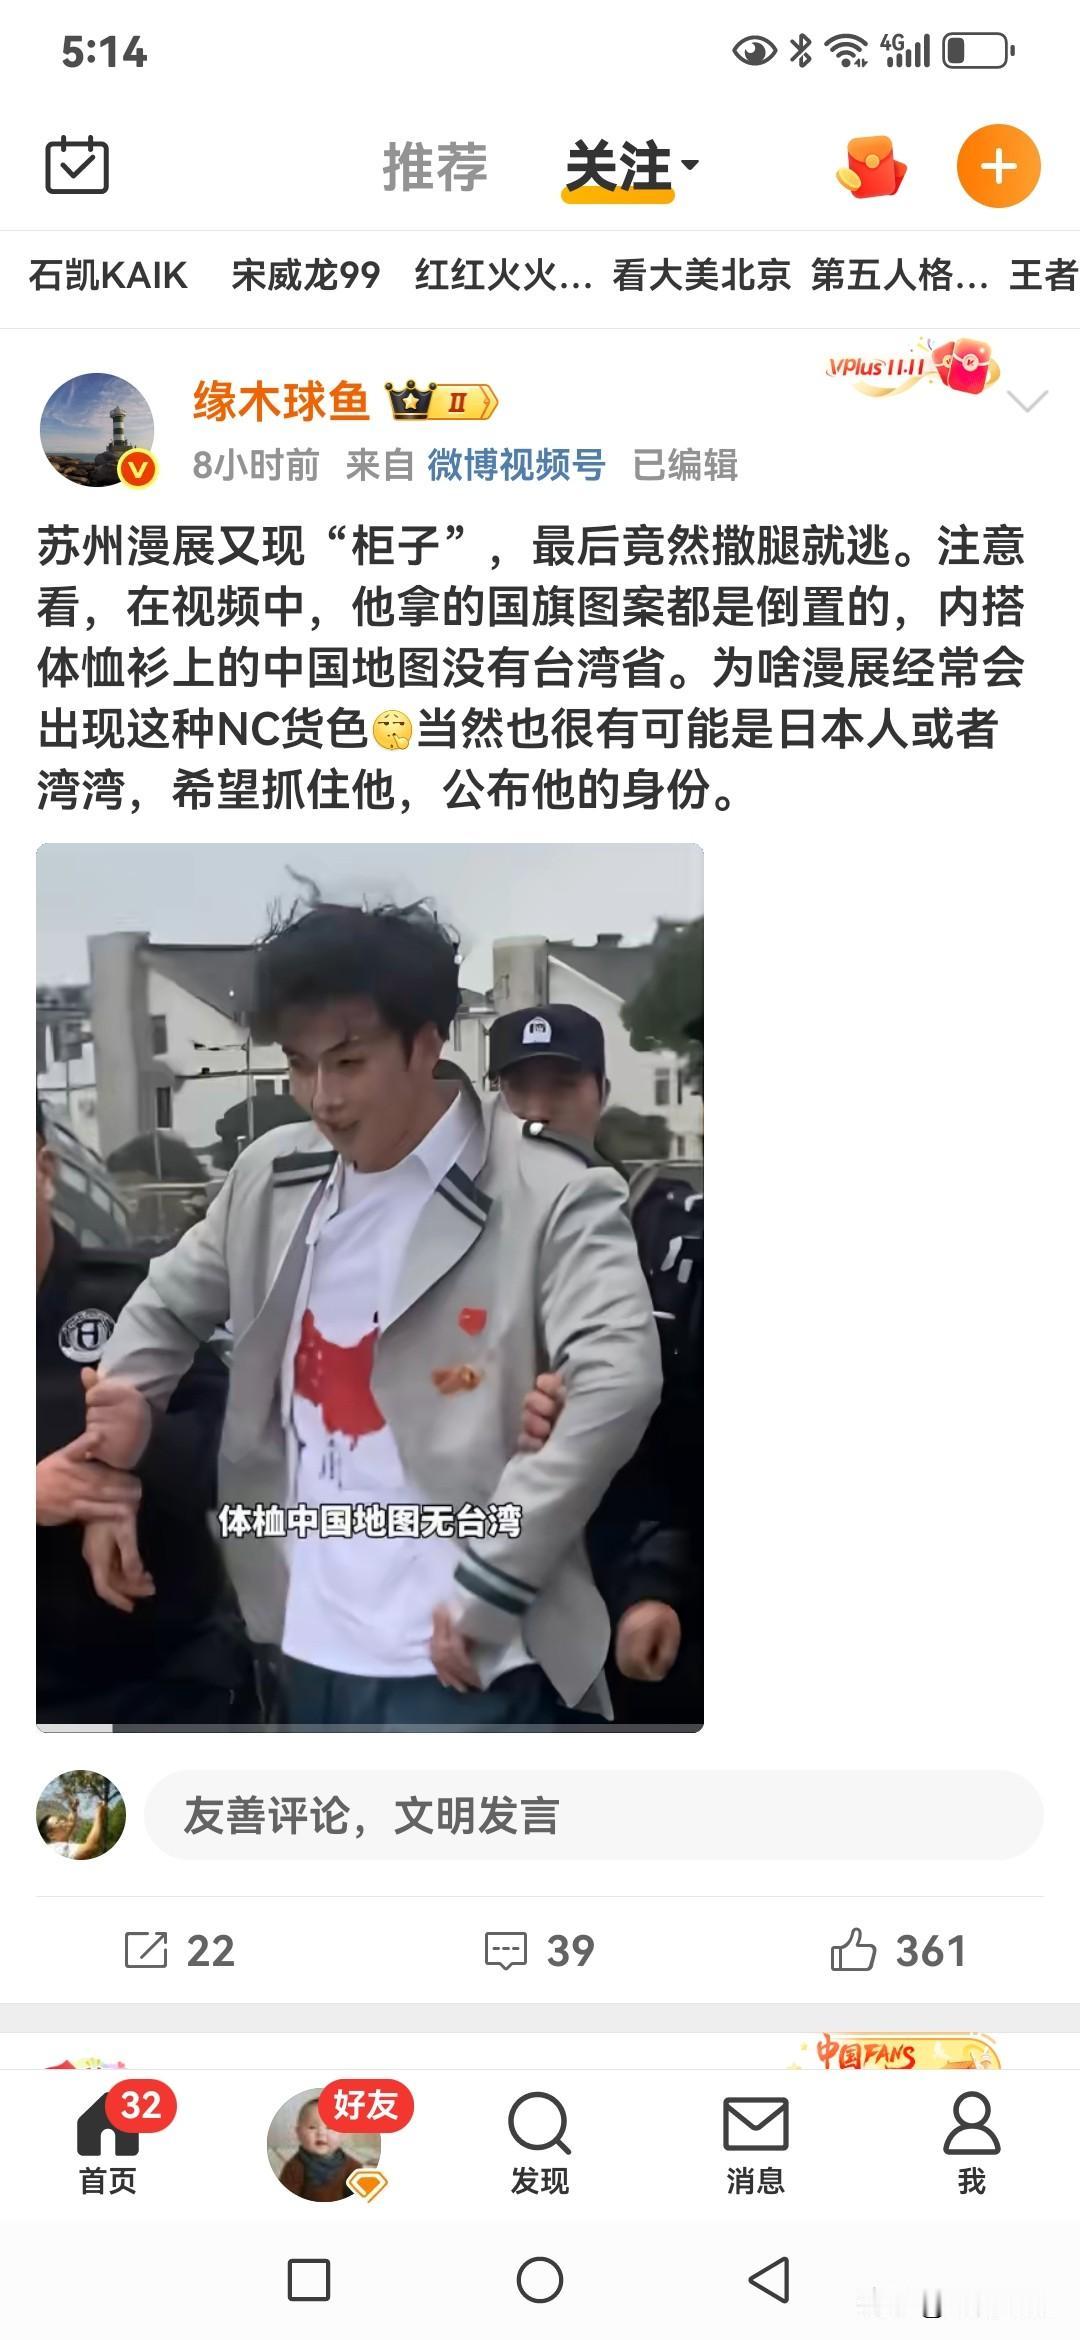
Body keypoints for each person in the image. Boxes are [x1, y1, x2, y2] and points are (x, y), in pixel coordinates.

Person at [82, 901, 663, 1726]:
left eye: (349, 1063)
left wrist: (496, 1579)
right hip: (304, 1643)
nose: (322, 1098)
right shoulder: (272, 1177)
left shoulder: (553, 1190)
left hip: (468, 1657)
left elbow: (618, 1380)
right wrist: (111, 1458)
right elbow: (165, 1304)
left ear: (426, 1045)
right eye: (300, 1065)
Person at [490, 1004, 704, 1723]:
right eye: (519, 1088)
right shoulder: (439, 1241)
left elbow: (680, 1444)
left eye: (562, 1085)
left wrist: (657, 1581)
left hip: (631, 1595)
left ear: (601, 1093)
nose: (538, 1110)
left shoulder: (670, 1239)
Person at [36, 1103, 254, 1724]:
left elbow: (243, 1457)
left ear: (44, 1171)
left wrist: (146, 1447)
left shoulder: (141, 1304)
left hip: (162, 1685)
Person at [277, 2101, 364, 2201]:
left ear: (343, 2134)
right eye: (312, 2127)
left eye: (329, 2127)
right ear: (299, 2133)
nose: (321, 2133)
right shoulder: (294, 2168)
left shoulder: (352, 2166)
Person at [38, 1797, 106, 1861]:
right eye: (58, 1822)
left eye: (60, 1819)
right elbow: (91, 1847)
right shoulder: (57, 1849)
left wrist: (73, 1809)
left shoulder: (61, 1843)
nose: (63, 1821)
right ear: (51, 1835)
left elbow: (70, 1823)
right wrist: (99, 1814)